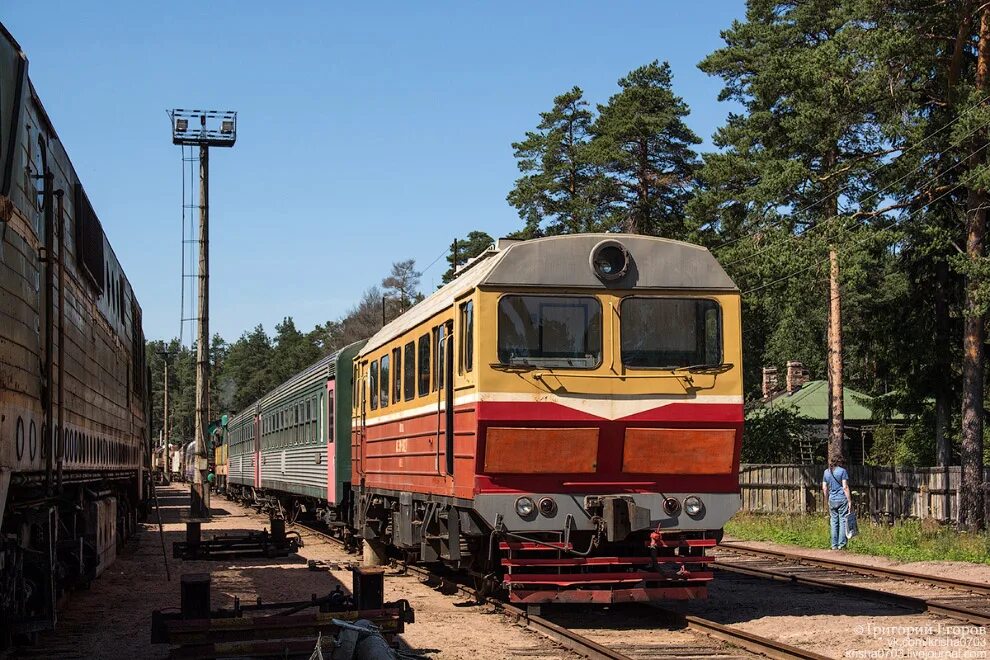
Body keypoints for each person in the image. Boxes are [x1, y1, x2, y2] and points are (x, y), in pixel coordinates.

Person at [822, 459, 852, 550]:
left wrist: (827, 499)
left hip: (832, 499)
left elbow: (824, 487)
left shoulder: (826, 472)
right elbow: (845, 487)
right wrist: (849, 501)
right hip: (842, 499)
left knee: (833, 522)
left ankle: (834, 545)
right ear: (839, 462)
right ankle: (841, 545)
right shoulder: (842, 471)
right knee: (843, 521)